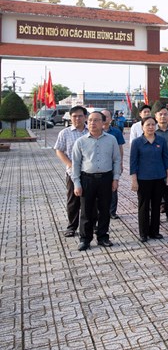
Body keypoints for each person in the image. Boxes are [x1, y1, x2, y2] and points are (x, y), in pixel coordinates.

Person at [71, 111, 122, 251]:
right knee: (86, 211)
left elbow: (116, 159)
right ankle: (85, 239)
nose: (92, 123)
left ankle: (103, 237)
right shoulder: (80, 141)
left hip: (106, 178)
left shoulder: (111, 140)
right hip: (87, 179)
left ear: (103, 122)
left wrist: (115, 178)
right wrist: (77, 183)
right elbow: (75, 164)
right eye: (90, 120)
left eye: (96, 120)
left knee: (104, 209)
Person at [129, 116, 168, 242]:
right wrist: (134, 180)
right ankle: (143, 233)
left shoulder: (161, 140)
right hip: (143, 179)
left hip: (159, 178)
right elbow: (133, 162)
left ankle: (155, 231)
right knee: (144, 206)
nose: (151, 127)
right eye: (148, 125)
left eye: (153, 124)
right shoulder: (137, 142)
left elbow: (165, 158)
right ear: (142, 127)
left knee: (156, 205)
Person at [54, 106, 89, 237]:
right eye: (74, 116)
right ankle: (72, 226)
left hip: (89, 172)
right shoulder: (65, 133)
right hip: (72, 173)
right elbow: (59, 151)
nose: (77, 119)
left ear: (85, 117)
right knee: (73, 201)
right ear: (70, 117)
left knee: (90, 200)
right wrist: (71, 165)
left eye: (80, 116)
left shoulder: (91, 131)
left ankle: (91, 225)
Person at [101, 109, 126, 219]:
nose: (104, 118)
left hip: (112, 164)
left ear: (111, 119)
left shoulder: (116, 132)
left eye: (106, 116)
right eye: (102, 116)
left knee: (113, 188)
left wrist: (120, 163)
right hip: (99, 165)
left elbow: (120, 148)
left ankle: (112, 211)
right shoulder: (94, 131)